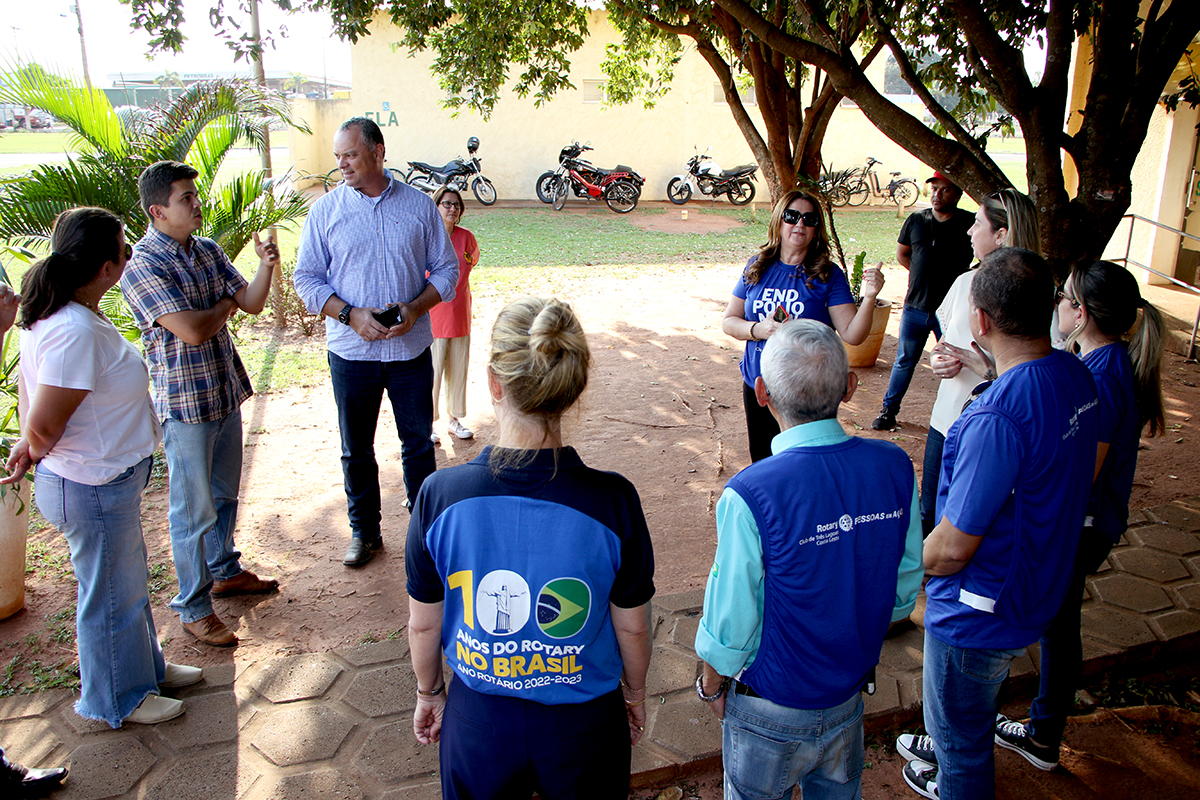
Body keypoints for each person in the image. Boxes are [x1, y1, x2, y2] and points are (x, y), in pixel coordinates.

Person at [405, 297, 654, 799]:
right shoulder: (613, 501)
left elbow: (424, 621)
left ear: (495, 383)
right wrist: (635, 691)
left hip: (479, 721)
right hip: (584, 724)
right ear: (572, 388)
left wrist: (429, 691)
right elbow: (632, 623)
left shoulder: (439, 496)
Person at [695, 318, 923, 800]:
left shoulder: (750, 494)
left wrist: (712, 682)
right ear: (850, 387)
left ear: (761, 392)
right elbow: (902, 591)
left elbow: (732, 618)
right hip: (847, 695)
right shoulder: (894, 467)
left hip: (769, 707)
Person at [900, 248, 1098, 800]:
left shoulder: (997, 418)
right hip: (1037, 588)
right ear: (1048, 309)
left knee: (960, 747)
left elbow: (953, 547)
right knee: (970, 713)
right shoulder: (1074, 375)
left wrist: (896, 569)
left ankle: (951, 762)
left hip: (980, 615)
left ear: (981, 322)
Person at [3, 208, 203, 728]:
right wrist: (33, 445)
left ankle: (146, 670)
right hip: (89, 483)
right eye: (124, 247)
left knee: (127, 584)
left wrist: (32, 443)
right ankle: (117, 697)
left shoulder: (71, 314)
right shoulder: (73, 329)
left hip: (103, 479)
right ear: (105, 267)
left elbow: (37, 412)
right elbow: (45, 425)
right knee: (110, 595)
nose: (131, 254)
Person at [991, 261, 1166, 770]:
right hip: (1083, 523)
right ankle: (1041, 731)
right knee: (1058, 628)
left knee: (1052, 628)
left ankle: (1037, 735)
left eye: (1064, 298)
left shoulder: (1103, 378)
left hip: (1081, 526)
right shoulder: (1096, 364)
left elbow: (1081, 471)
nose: (1057, 306)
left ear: (1081, 312)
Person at [121, 161, 280, 648]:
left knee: (225, 495)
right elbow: (191, 331)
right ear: (157, 210)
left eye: (195, 194)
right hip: (185, 406)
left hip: (222, 391)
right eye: (185, 198)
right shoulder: (143, 265)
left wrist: (265, 265)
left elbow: (250, 302)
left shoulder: (206, 251)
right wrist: (222, 308)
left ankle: (224, 571)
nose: (197, 204)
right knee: (192, 511)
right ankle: (192, 606)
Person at [294, 117, 459, 568]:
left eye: (350, 154)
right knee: (356, 448)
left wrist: (414, 308)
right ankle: (364, 533)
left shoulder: (420, 208)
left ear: (378, 151)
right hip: (352, 354)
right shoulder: (325, 213)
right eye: (338, 157)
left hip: (409, 352)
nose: (342, 164)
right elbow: (306, 280)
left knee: (418, 444)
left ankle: (425, 534)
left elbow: (447, 271)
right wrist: (350, 315)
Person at [722, 189, 884, 462]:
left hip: (805, 391)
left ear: (816, 229)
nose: (800, 224)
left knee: (803, 463)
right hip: (759, 385)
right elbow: (729, 321)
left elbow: (853, 335)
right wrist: (757, 330)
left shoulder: (827, 275)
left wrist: (869, 297)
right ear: (779, 221)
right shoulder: (757, 266)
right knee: (763, 460)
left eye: (809, 219)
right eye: (792, 216)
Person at [916, 188, 1039, 535]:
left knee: (973, 519)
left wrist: (987, 370)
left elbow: (1037, 375)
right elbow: (942, 344)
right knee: (930, 513)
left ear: (1001, 235)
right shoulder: (964, 282)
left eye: (977, 224)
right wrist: (938, 360)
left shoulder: (1038, 294)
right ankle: (929, 586)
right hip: (946, 421)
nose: (969, 231)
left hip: (997, 431)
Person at [872, 171, 974, 431]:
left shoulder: (969, 224)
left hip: (950, 314)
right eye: (934, 189)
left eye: (945, 190)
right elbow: (903, 254)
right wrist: (921, 277)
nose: (937, 195)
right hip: (915, 308)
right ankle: (888, 411)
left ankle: (956, 419)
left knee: (953, 364)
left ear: (958, 194)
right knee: (905, 361)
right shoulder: (916, 220)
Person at [428, 185, 479, 444]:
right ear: (436, 206)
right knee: (433, 370)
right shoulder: (427, 237)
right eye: (446, 204)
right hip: (433, 316)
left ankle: (454, 419)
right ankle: (428, 422)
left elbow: (470, 264)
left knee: (458, 367)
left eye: (456, 205)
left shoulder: (466, 237)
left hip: (460, 312)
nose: (452, 208)